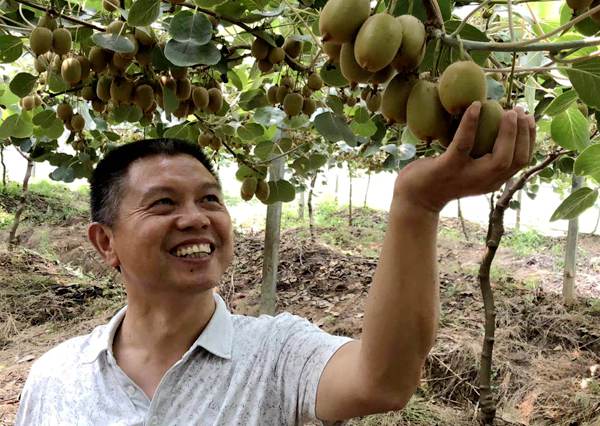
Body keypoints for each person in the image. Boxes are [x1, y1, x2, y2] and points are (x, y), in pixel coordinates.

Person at [15, 102, 535, 425]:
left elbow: (383, 382)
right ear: (105, 243)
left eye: (210, 200)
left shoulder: (277, 353)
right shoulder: (54, 377)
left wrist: (416, 208)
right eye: (164, 204)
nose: (196, 219)